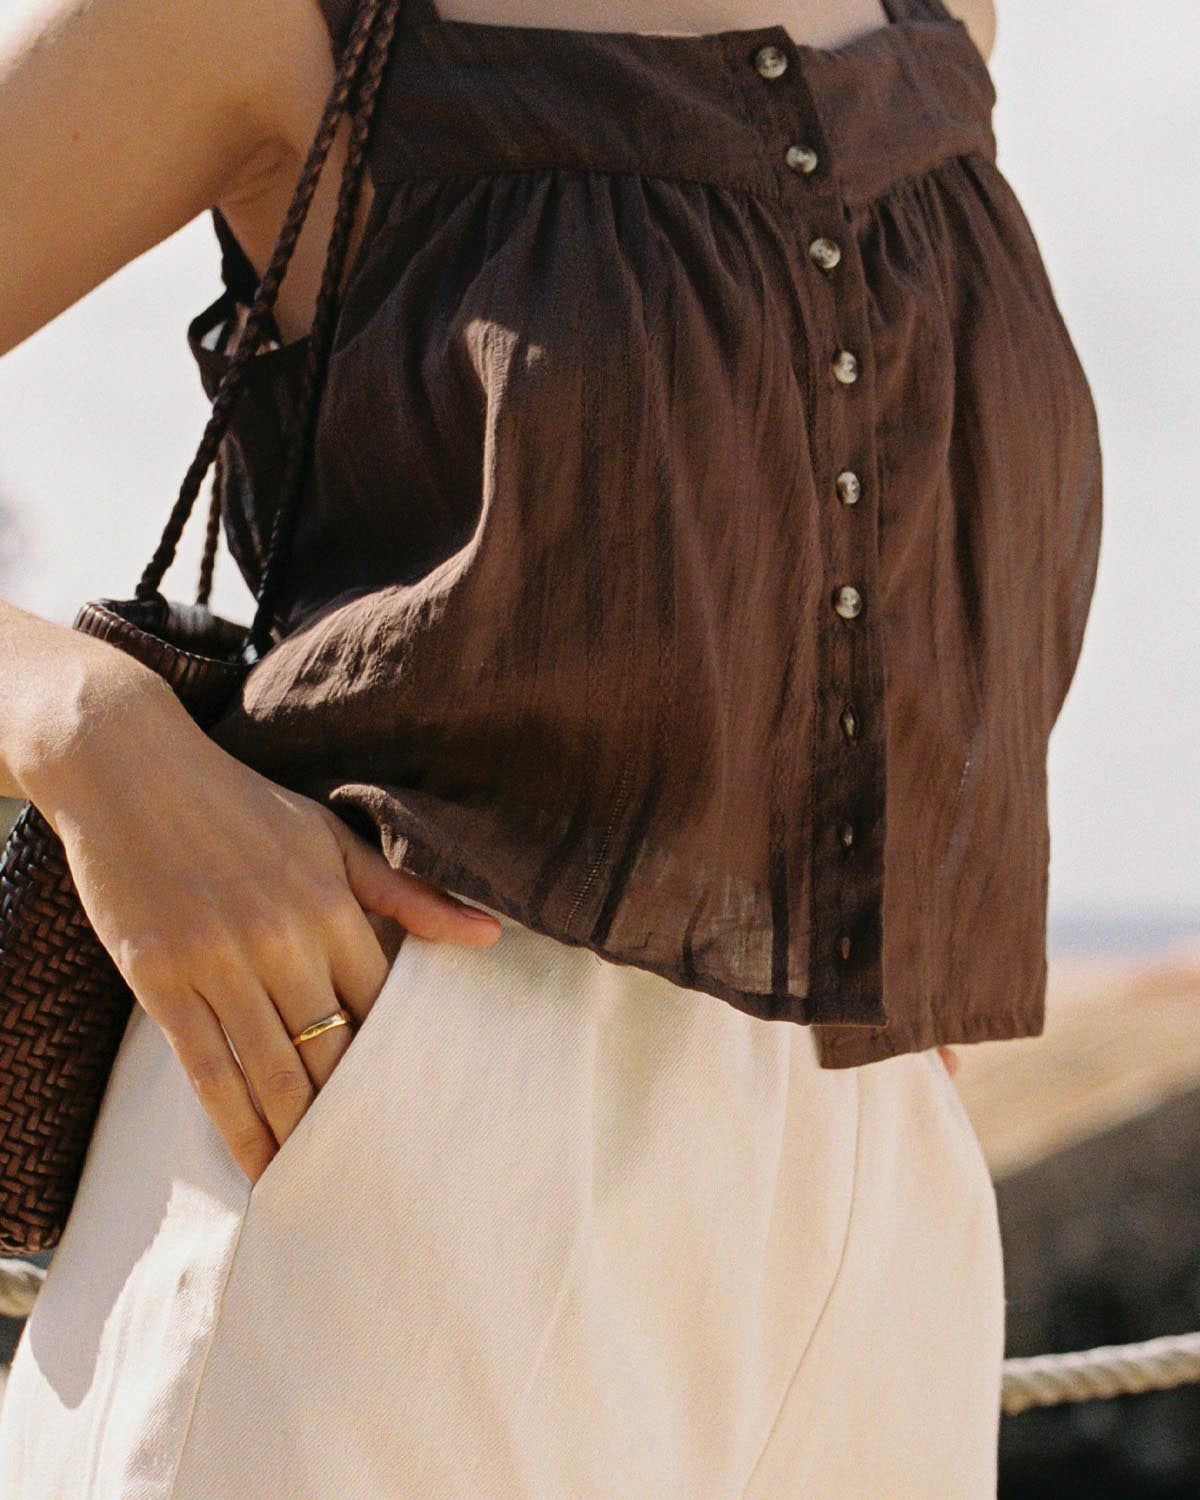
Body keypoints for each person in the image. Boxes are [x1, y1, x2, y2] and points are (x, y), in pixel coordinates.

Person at [0, 0, 1102, 1494]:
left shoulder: (940, 20)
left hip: (875, 1193)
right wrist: (83, 727)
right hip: (391, 1127)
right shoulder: (263, 20)